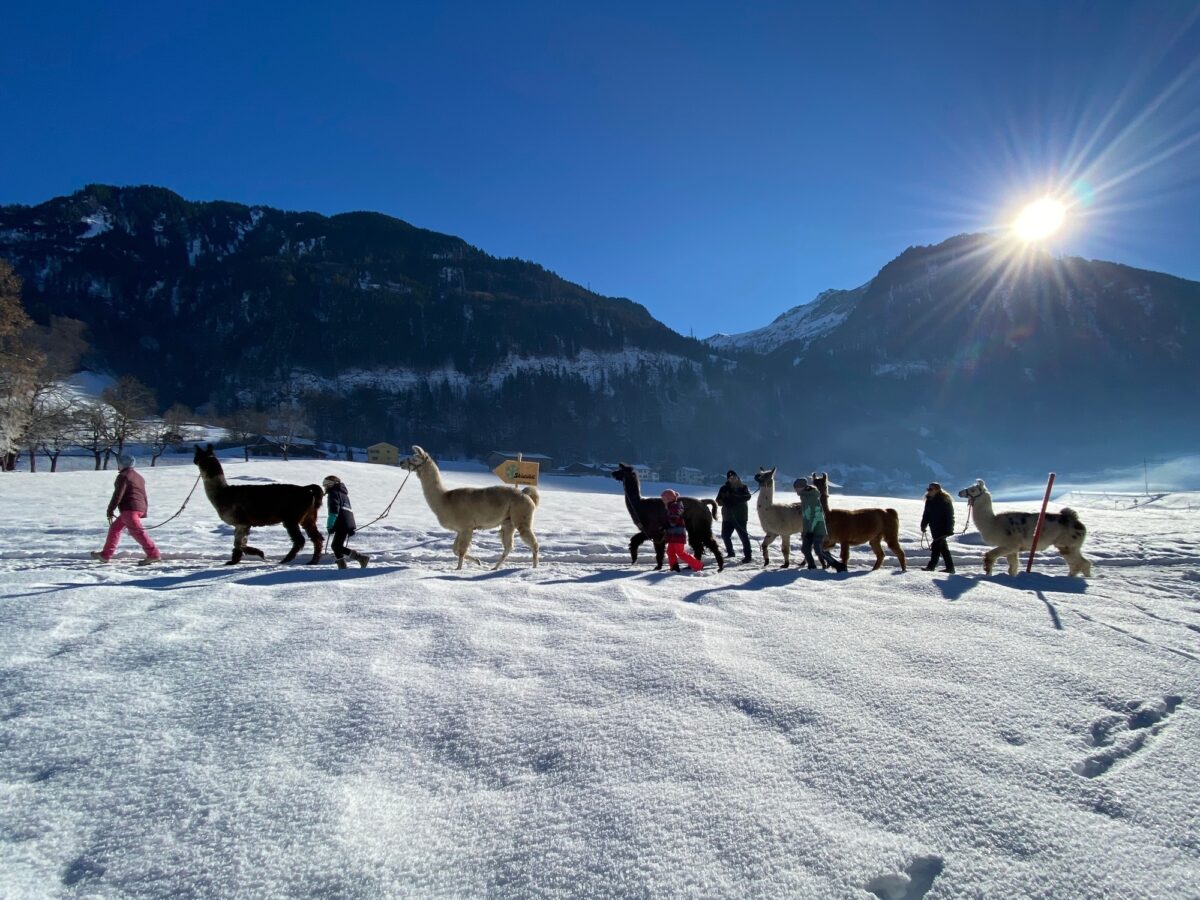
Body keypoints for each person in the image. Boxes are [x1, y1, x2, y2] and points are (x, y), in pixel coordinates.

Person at [90, 454, 161, 565]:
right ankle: (105, 555)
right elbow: (143, 495)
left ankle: (153, 554)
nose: (117, 465)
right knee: (115, 528)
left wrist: (110, 509)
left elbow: (118, 494)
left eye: (119, 463)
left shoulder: (123, 476)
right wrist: (144, 510)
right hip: (137, 508)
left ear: (122, 464)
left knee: (137, 532)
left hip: (129, 508)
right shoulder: (139, 477)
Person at [794, 476, 845, 571]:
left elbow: (814, 515)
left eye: (796, 488)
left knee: (819, 550)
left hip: (816, 529)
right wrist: (801, 507)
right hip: (810, 529)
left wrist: (809, 532)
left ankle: (838, 566)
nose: (795, 490)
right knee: (806, 549)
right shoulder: (806, 496)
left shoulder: (809, 497)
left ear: (802, 487)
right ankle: (812, 566)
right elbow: (810, 510)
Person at [323, 475, 369, 569]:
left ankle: (360, 558)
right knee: (336, 545)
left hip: (341, 522)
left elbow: (333, 510)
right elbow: (348, 510)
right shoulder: (344, 495)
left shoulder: (333, 493)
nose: (325, 487)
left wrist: (330, 525)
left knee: (336, 546)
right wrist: (351, 526)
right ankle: (343, 565)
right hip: (346, 522)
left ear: (331, 484)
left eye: (326, 484)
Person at [661, 489, 703, 572]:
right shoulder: (671, 506)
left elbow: (674, 520)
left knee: (680, 553)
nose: (663, 501)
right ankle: (674, 567)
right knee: (670, 552)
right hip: (673, 534)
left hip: (678, 535)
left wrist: (666, 524)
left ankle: (698, 565)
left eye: (664, 499)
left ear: (670, 498)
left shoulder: (674, 507)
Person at [716, 470, 753, 563]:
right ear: (728, 479)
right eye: (730, 478)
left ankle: (748, 556)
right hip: (727, 517)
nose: (732, 479)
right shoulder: (723, 488)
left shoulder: (743, 487)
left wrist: (735, 498)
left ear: (737, 477)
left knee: (743, 536)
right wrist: (725, 502)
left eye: (734, 477)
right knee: (725, 535)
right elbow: (718, 500)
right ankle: (730, 553)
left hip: (740, 517)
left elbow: (748, 496)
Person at [920, 482, 956, 573]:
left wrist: (949, 529)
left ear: (937, 490)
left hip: (943, 528)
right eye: (928, 489)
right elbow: (926, 514)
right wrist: (923, 524)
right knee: (943, 548)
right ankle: (950, 568)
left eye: (930, 489)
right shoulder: (929, 500)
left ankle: (931, 566)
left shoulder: (945, 500)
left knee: (936, 546)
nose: (928, 491)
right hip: (934, 527)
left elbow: (950, 516)